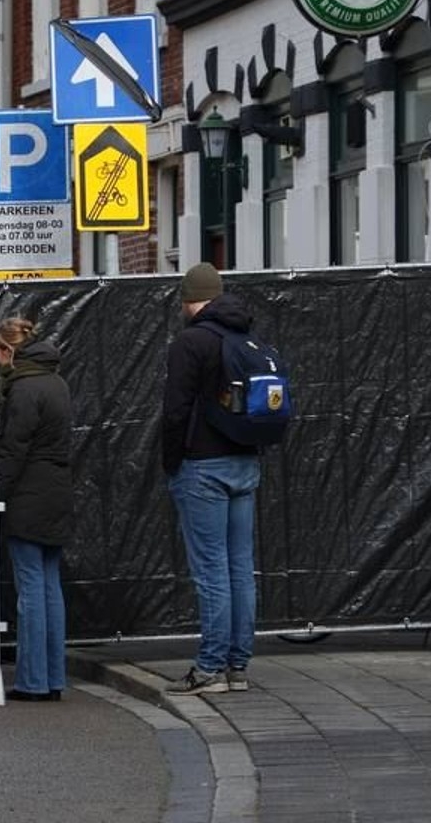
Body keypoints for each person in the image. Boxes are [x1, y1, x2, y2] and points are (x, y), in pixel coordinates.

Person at [161, 263, 260, 695]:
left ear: (189, 300)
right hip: (245, 463)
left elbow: (175, 410)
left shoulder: (191, 341)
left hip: (202, 466)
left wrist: (171, 462)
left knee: (211, 571)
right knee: (240, 567)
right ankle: (238, 666)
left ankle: (209, 668)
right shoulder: (246, 337)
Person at [0, 317, 73, 702]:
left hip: (26, 496)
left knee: (31, 589)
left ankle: (32, 680)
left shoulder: (21, 390)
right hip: (56, 491)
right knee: (50, 587)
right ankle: (53, 678)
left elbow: (13, 451)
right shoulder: (57, 382)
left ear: (10, 351)